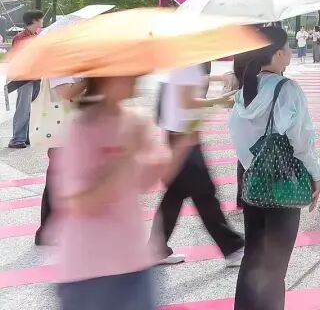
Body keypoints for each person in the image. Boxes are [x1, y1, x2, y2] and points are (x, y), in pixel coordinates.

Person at [53, 75, 194, 310]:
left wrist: (183, 145)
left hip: (133, 262)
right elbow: (81, 203)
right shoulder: (81, 128)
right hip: (88, 270)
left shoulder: (135, 121)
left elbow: (149, 180)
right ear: (107, 78)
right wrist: (126, 155)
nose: (136, 78)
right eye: (128, 73)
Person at [229, 26, 320, 310]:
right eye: (288, 47)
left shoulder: (246, 89)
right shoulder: (287, 89)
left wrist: (253, 166)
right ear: (278, 53)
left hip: (254, 183)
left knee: (253, 256)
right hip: (283, 184)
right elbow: (302, 140)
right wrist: (316, 175)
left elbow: (237, 133)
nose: (291, 52)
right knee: (275, 265)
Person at [151, 62, 244, 266]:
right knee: (205, 195)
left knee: (175, 196)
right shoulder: (188, 65)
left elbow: (187, 86)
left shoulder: (183, 64)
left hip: (180, 134)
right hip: (185, 137)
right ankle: (233, 248)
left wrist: (218, 79)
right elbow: (186, 101)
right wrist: (218, 101)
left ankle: (156, 249)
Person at [36, 75, 87, 246]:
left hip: (74, 127)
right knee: (57, 180)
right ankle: (48, 231)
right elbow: (66, 92)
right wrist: (90, 79)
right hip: (63, 130)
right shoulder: (59, 66)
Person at [8, 10, 44, 149]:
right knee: (23, 108)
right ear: (34, 20)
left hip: (36, 77)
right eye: (41, 19)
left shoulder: (37, 36)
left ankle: (27, 136)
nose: (42, 21)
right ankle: (17, 139)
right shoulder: (21, 38)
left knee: (32, 109)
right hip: (24, 78)